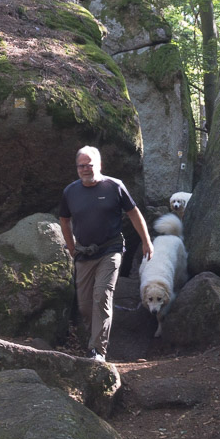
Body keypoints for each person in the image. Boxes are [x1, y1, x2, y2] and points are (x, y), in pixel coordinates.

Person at [58, 145, 153, 363]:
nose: (85, 169)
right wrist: (71, 247)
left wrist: (147, 241)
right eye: (81, 166)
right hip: (84, 253)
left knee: (102, 295)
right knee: (84, 305)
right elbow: (64, 219)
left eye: (89, 165)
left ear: (99, 165)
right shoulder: (70, 192)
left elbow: (134, 213)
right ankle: (95, 342)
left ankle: (97, 350)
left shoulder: (114, 186)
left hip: (111, 249)